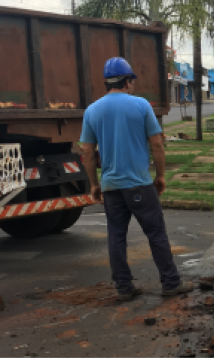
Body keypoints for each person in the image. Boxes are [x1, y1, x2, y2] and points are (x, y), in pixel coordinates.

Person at [80, 57, 194, 301]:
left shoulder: (92, 110)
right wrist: (161, 176)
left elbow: (88, 152)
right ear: (128, 81)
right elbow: (157, 144)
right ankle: (170, 283)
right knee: (156, 234)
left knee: (116, 236)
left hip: (111, 186)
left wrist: (94, 184)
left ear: (107, 83)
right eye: (132, 80)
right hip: (139, 183)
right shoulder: (141, 106)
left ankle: (124, 287)